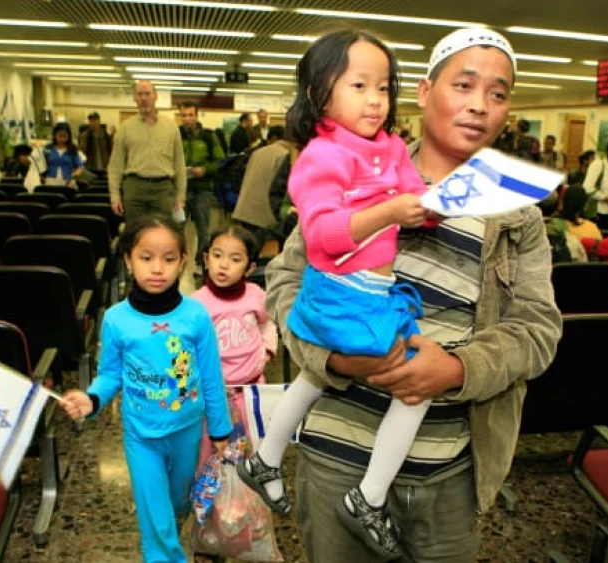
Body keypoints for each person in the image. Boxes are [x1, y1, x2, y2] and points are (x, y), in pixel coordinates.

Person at [264, 27, 561, 562]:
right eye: (464, 86)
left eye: (498, 94)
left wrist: (458, 369)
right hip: (336, 458)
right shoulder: (355, 170)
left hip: (446, 471)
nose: (479, 106)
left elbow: (538, 331)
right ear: (425, 92)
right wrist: (330, 356)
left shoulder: (518, 213)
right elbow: (285, 281)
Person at [235, 29, 433, 559]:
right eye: (360, 85)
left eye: (385, 88)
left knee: (312, 377)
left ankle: (266, 457)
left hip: (373, 291)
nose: (376, 100)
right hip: (342, 292)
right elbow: (322, 236)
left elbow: (417, 197)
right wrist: (392, 211)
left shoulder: (391, 147)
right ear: (320, 93)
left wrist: (433, 203)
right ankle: (368, 496)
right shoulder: (321, 156)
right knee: (416, 385)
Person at [59, 216, 232, 563]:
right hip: (141, 437)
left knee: (179, 504)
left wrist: (220, 429)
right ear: (128, 260)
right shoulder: (116, 319)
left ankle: (170, 536)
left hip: (187, 432)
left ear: (183, 260)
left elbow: (211, 377)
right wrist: (91, 398)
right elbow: (109, 375)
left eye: (169, 259)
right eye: (146, 257)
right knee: (157, 525)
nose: (158, 269)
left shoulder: (196, 316)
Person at [191, 224, 278, 465]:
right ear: (207, 259)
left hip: (250, 390)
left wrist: (267, 351)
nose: (224, 264)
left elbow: (268, 324)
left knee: (250, 445)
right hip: (214, 394)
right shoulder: (196, 304)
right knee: (211, 451)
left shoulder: (255, 295)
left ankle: (246, 499)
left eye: (235, 259)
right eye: (217, 256)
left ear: (249, 267)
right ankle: (213, 497)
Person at [107, 80, 187, 225]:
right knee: (135, 232)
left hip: (163, 190)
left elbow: (179, 164)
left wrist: (180, 196)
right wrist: (115, 197)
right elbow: (115, 165)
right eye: (140, 94)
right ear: (134, 98)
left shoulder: (171, 127)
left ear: (155, 96)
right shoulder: (125, 128)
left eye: (147, 94)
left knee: (163, 232)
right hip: (134, 188)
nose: (144, 98)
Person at [179, 101, 226, 258]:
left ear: (196, 116)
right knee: (176, 228)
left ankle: (202, 264)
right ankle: (177, 260)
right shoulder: (176, 135)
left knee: (203, 230)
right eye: (184, 115)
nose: (187, 119)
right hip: (180, 191)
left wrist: (205, 169)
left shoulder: (208, 136)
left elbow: (220, 162)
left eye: (190, 115)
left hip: (203, 189)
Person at [232, 125, 292, 247]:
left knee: (247, 250)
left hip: (245, 209)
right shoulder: (286, 156)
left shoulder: (258, 152)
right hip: (264, 214)